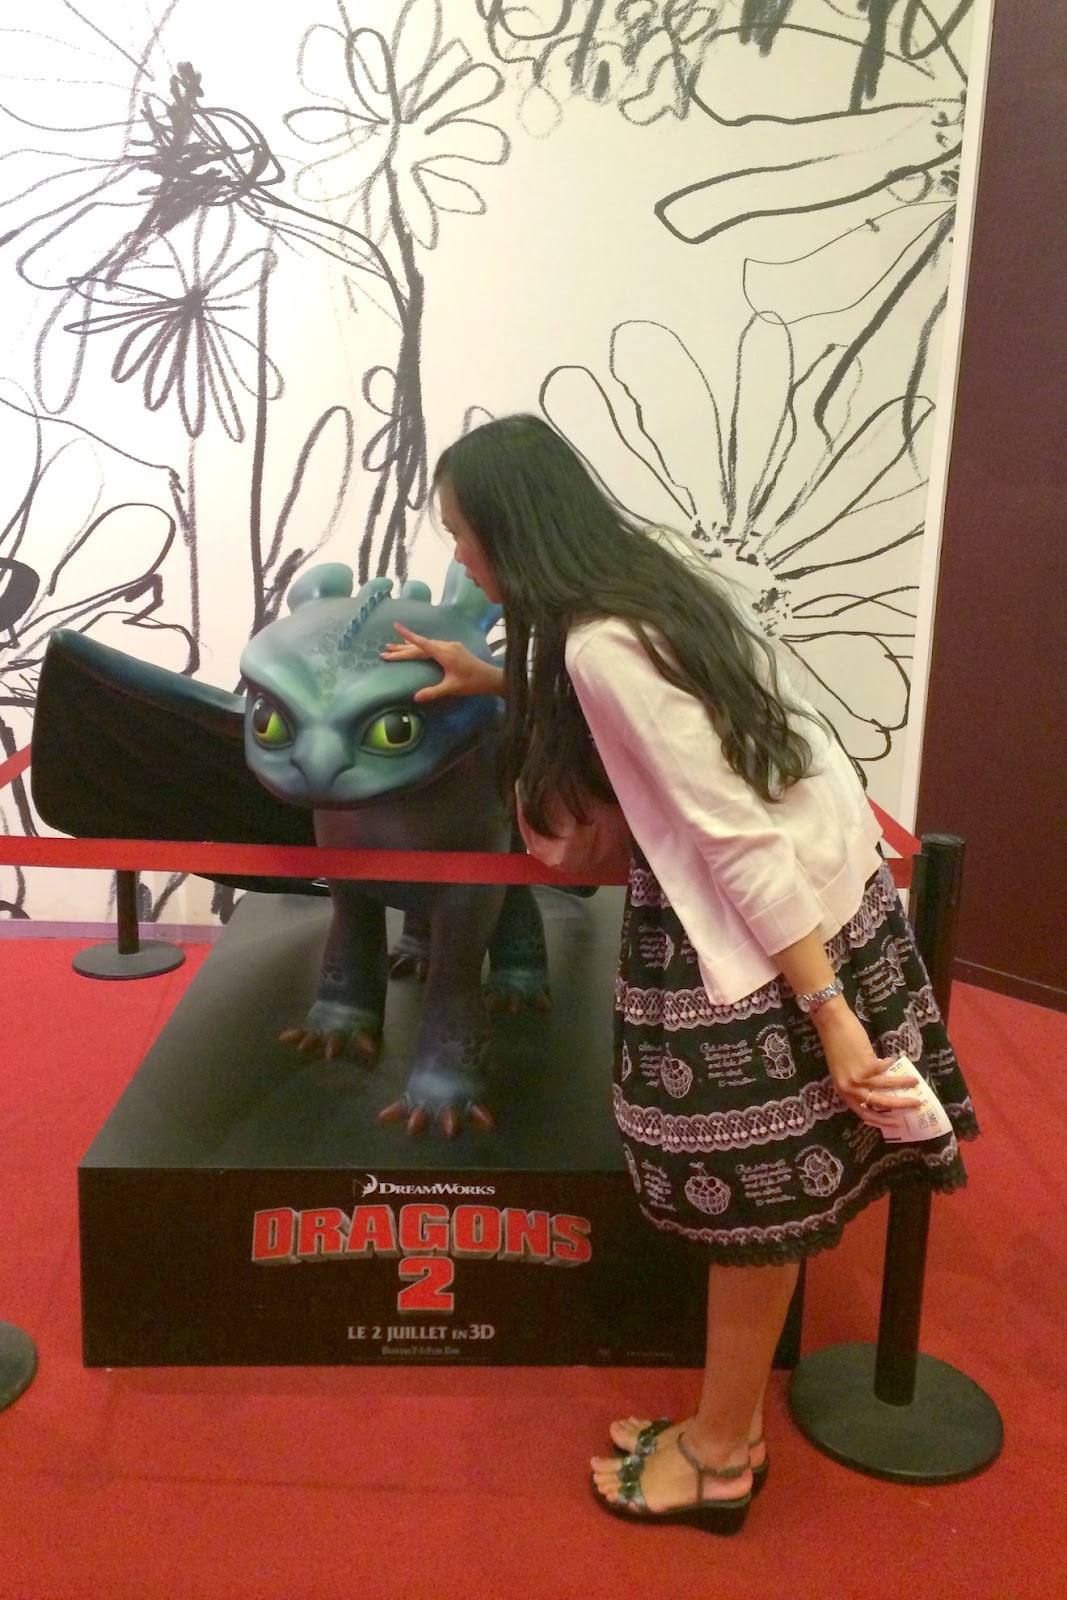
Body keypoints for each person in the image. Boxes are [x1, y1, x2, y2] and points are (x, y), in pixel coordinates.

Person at [381, 413, 978, 1535]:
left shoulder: (596, 644)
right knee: (770, 1189)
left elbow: (727, 831)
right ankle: (726, 1427)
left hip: (761, 932)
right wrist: (493, 679)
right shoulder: (641, 582)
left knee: (749, 1200)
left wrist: (825, 1013)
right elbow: (676, 731)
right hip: (820, 890)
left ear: (511, 531)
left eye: (462, 534)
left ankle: (715, 1458)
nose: (456, 555)